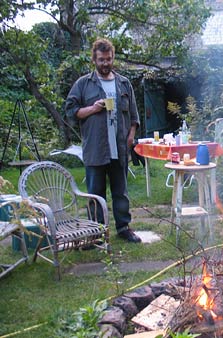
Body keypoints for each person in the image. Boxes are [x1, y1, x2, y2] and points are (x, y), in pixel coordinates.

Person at [65, 38, 141, 243]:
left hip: (119, 148)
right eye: (101, 60)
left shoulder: (124, 83)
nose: (105, 63)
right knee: (95, 193)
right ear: (94, 60)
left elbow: (134, 116)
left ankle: (123, 228)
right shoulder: (83, 84)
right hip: (96, 148)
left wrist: (131, 136)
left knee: (121, 192)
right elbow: (71, 111)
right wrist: (93, 108)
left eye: (108, 59)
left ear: (112, 58)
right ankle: (95, 232)